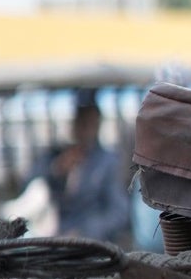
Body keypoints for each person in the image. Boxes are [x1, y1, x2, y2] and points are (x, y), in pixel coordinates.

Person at [46, 90, 131, 244]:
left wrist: (83, 233)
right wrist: (58, 172)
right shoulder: (59, 156)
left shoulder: (109, 162)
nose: (82, 128)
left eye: (88, 122)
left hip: (93, 244)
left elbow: (119, 213)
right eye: (79, 120)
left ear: (97, 123)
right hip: (56, 238)